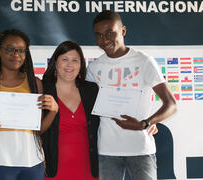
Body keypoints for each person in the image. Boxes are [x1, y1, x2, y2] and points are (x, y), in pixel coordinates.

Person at [86, 11, 177, 180]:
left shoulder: (144, 61)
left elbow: (171, 104)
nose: (104, 40)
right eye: (98, 35)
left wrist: (147, 123)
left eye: (109, 32)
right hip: (106, 151)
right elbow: (87, 106)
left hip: (141, 149)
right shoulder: (94, 68)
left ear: (123, 31)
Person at [0, 29, 58, 180]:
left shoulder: (35, 84)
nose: (16, 54)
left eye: (21, 50)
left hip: (33, 162)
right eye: (10, 49)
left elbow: (38, 129)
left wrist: (54, 111)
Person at [41, 41, 100, 180]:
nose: (70, 65)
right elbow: (31, 128)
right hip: (53, 169)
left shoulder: (91, 90)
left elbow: (109, 118)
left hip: (87, 170)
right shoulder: (42, 89)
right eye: (65, 59)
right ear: (55, 63)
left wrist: (146, 124)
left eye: (75, 60)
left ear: (81, 65)